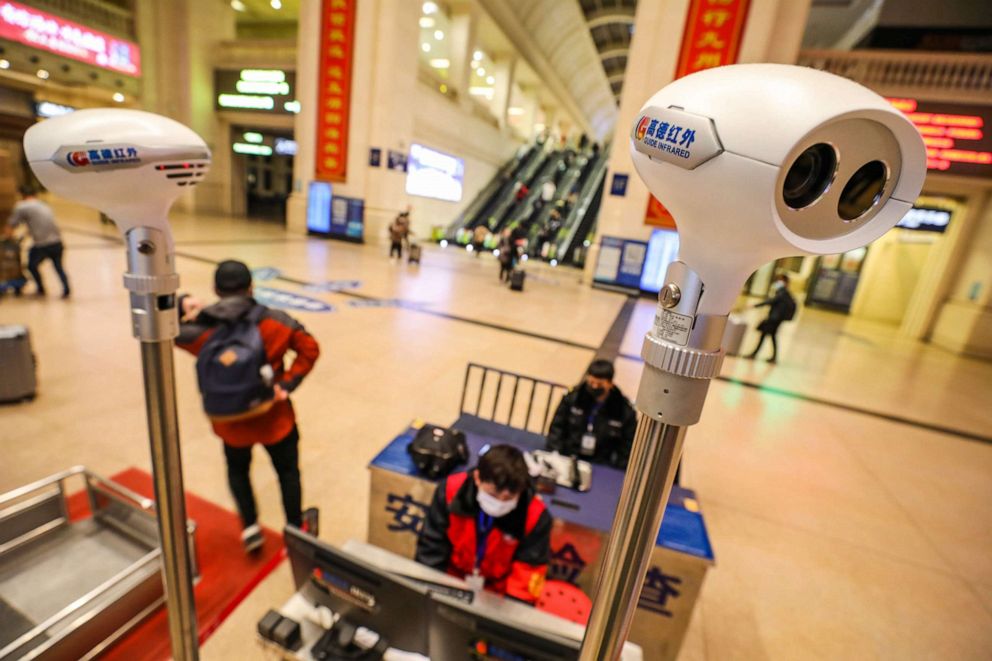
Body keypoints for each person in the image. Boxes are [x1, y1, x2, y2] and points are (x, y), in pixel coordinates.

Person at [176, 260, 320, 553]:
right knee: (288, 473)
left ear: (215, 289)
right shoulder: (276, 322)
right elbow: (310, 348)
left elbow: (163, 328)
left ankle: (251, 528)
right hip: (274, 418)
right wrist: (287, 384)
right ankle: (294, 532)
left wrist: (182, 304)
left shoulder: (201, 331)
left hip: (229, 422)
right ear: (251, 287)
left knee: (238, 470)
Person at [415, 444, 551, 604]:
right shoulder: (451, 491)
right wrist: (431, 593)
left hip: (499, 594)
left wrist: (510, 618)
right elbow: (431, 547)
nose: (500, 502)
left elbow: (527, 574)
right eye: (493, 494)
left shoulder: (535, 515)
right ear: (478, 478)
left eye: (508, 498)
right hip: (450, 579)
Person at [546, 359, 637, 469]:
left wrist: (617, 469)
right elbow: (557, 427)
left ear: (610, 384)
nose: (594, 387)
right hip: (569, 456)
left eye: (599, 384)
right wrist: (556, 455)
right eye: (591, 383)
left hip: (602, 463)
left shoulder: (624, 411)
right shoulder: (573, 398)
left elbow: (627, 445)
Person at [5, 187, 70, 298]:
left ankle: (41, 289)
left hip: (42, 245)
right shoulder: (43, 204)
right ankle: (67, 290)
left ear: (22, 195)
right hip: (57, 242)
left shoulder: (22, 206)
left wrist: (7, 239)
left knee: (31, 266)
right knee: (58, 267)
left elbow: (11, 225)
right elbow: (39, 223)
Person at [745, 274, 797, 364]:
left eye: (780, 281)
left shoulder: (782, 292)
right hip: (776, 318)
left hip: (774, 318)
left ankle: (755, 354)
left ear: (785, 282)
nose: (778, 282)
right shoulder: (783, 292)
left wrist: (755, 305)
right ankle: (772, 357)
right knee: (772, 336)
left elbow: (771, 301)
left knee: (764, 335)